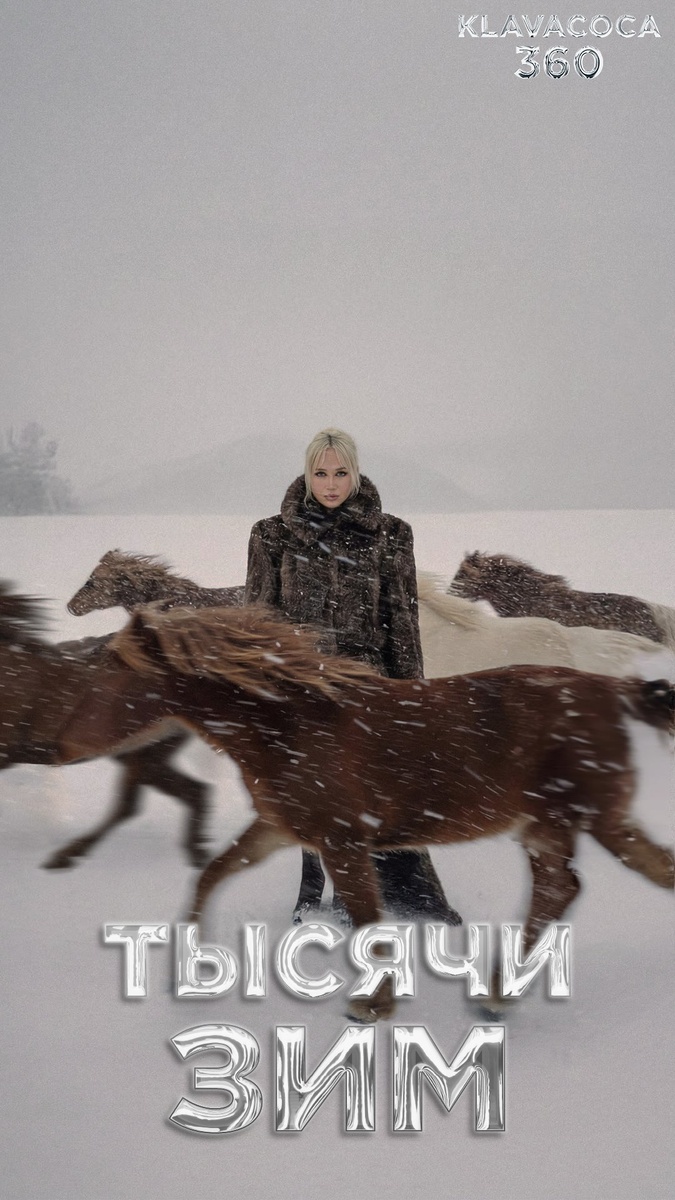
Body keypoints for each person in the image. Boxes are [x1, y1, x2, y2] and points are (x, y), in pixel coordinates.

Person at [244, 427, 461, 924]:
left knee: (372, 794)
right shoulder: (271, 534)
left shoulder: (391, 533)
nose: (331, 484)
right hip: (302, 685)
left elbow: (402, 622)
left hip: (369, 686)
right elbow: (257, 622)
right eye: (320, 473)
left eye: (341, 473)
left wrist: (412, 697)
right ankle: (312, 895)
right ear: (307, 474)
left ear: (355, 473)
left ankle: (375, 895)